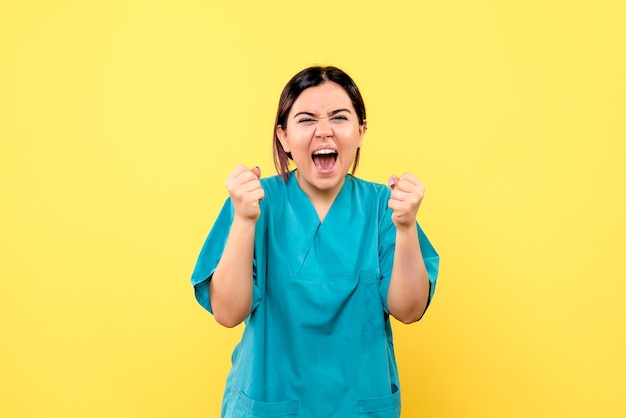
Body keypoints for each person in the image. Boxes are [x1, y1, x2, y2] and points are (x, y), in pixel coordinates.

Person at [191, 66, 440, 417]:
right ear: (283, 136)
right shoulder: (255, 202)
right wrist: (245, 220)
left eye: (339, 118)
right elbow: (228, 313)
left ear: (361, 131)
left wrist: (406, 226)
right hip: (270, 402)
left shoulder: (384, 207)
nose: (324, 131)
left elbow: (409, 309)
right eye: (306, 120)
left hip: (358, 405)